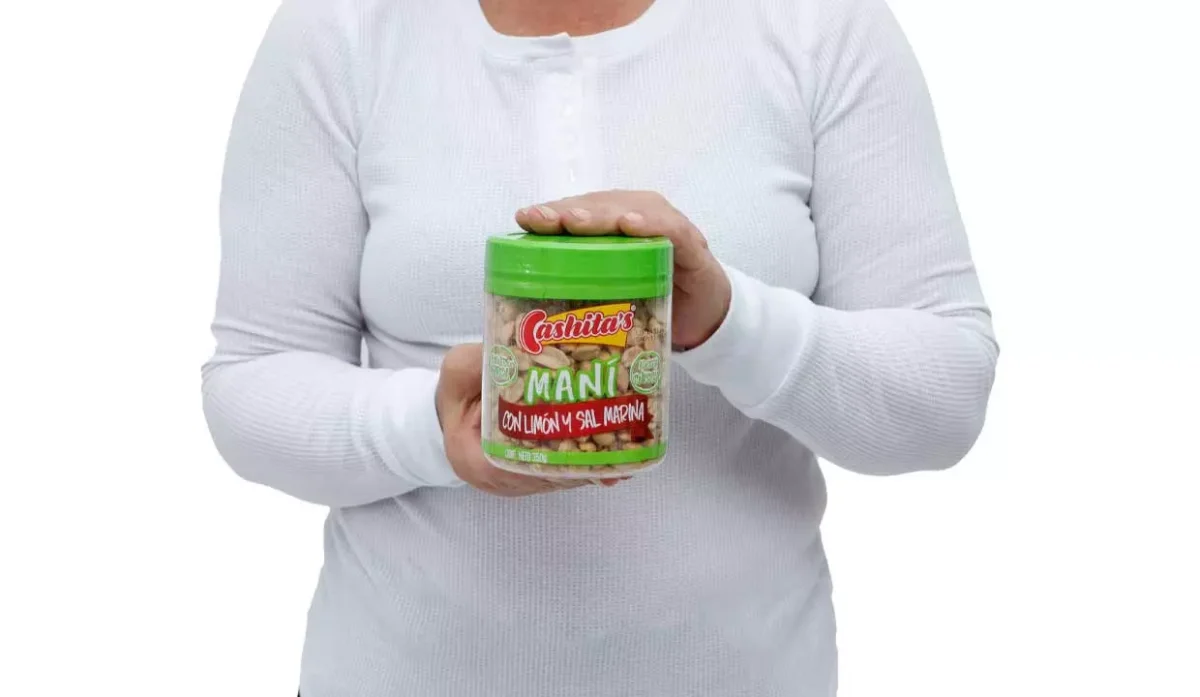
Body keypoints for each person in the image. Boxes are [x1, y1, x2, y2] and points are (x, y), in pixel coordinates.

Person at [200, 0, 998, 694]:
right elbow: (251, 380)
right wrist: (433, 428)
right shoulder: (341, 28)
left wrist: (728, 324)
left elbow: (945, 392)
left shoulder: (818, 23)